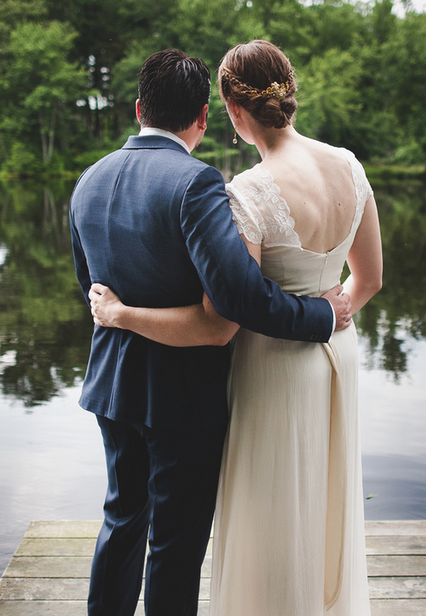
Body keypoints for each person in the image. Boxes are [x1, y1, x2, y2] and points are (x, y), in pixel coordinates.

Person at [89, 40, 382, 615]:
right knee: (325, 491)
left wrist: (119, 315)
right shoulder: (349, 164)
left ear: (231, 108)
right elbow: (368, 279)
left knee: (267, 504)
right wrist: (332, 315)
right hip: (337, 356)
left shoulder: (245, 189)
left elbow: (227, 310)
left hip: (267, 364)